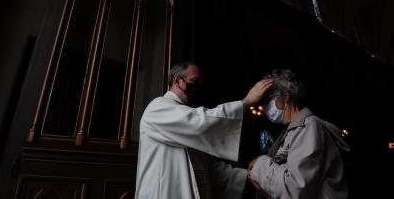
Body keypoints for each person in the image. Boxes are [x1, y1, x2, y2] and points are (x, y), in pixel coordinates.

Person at [134, 62, 273, 199]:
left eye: (201, 82)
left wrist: (247, 177)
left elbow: (209, 168)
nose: (199, 86)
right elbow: (198, 123)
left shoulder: (186, 116)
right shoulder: (158, 107)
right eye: (194, 81)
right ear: (177, 81)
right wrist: (245, 103)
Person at [247, 69, 350, 199]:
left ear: (285, 96)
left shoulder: (309, 127)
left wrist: (260, 165)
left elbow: (294, 189)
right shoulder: (292, 131)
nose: (265, 106)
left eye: (269, 100)